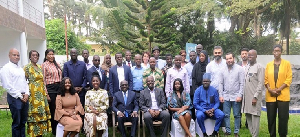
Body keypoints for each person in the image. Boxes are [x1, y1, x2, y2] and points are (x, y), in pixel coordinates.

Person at [0, 48, 30, 137]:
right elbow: (7, 86)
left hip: (24, 97)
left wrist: (27, 94)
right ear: (9, 55)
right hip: (15, 98)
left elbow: (25, 82)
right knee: (17, 123)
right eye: (14, 55)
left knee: (23, 122)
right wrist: (20, 96)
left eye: (18, 55)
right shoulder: (6, 69)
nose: (16, 57)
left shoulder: (20, 69)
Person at [265, 45, 292, 137]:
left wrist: (279, 89)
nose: (276, 52)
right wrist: (270, 90)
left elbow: (289, 79)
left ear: (281, 52)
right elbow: (266, 80)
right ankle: (272, 135)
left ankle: (282, 135)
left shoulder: (287, 64)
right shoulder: (268, 65)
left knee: (283, 118)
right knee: (271, 118)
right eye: (275, 51)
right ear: (273, 52)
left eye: (278, 51)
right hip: (270, 96)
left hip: (283, 96)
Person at [24, 50, 51, 137]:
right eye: (33, 55)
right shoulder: (27, 67)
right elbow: (23, 81)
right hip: (33, 94)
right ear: (30, 57)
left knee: (41, 115)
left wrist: (46, 94)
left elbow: (43, 81)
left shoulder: (40, 67)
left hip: (41, 94)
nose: (35, 56)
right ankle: (34, 134)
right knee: (34, 115)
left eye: (37, 55)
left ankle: (40, 134)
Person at [219, 52, 245, 137]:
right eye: (227, 59)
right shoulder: (222, 70)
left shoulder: (239, 69)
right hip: (226, 96)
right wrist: (221, 95)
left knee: (237, 115)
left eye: (230, 58)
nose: (229, 60)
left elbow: (242, 83)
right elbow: (221, 84)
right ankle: (228, 131)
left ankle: (236, 132)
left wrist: (240, 95)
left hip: (236, 96)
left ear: (233, 58)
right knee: (226, 115)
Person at [241, 49, 265, 137]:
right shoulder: (247, 67)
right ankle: (253, 134)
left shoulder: (260, 67)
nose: (249, 57)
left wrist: (255, 96)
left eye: (251, 56)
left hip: (254, 98)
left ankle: (255, 135)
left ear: (256, 56)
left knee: (255, 117)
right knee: (248, 116)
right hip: (246, 99)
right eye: (249, 55)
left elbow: (260, 83)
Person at [194, 73, 224, 137]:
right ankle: (204, 133)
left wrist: (213, 109)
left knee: (221, 114)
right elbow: (195, 104)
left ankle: (215, 132)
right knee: (199, 116)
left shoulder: (214, 90)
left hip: (212, 110)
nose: (205, 82)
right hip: (202, 110)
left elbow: (217, 102)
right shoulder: (198, 90)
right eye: (204, 81)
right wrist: (204, 111)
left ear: (210, 82)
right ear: (202, 82)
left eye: (207, 81)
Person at [42, 49, 62, 135]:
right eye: (49, 54)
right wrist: (46, 94)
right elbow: (43, 80)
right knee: (53, 110)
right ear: (46, 56)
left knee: (59, 108)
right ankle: (54, 130)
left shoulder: (56, 64)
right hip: (50, 88)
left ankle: (60, 128)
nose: (51, 56)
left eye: (52, 54)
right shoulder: (44, 65)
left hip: (59, 88)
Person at [84, 72, 109, 137]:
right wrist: (93, 111)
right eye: (93, 81)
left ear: (99, 82)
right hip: (90, 112)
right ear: (91, 82)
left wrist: (97, 110)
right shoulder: (88, 92)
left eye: (97, 81)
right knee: (91, 120)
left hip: (101, 112)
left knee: (101, 120)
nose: (95, 82)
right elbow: (86, 106)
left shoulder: (104, 92)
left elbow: (106, 105)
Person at [191, 50, 208, 120]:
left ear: (206, 57)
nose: (201, 57)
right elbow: (193, 79)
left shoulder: (208, 66)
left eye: (203, 56)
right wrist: (197, 91)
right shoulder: (196, 66)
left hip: (207, 89)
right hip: (197, 89)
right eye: (200, 56)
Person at [237, 48, 249, 128]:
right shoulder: (237, 64)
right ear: (240, 55)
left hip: (249, 89)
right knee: (238, 107)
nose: (244, 55)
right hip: (239, 89)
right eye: (242, 54)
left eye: (245, 53)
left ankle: (248, 123)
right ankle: (239, 123)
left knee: (248, 107)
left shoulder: (251, 64)